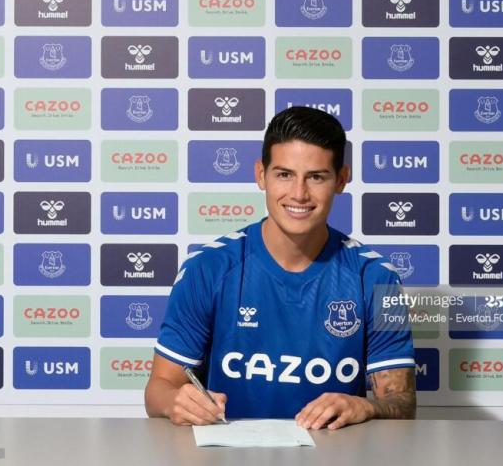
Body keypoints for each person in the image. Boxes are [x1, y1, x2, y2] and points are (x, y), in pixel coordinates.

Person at [145, 106, 416, 430]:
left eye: (316, 177)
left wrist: (365, 406)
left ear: (341, 180)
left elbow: (402, 403)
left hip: (335, 451)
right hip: (225, 449)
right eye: (284, 174)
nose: (299, 194)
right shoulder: (208, 268)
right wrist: (175, 401)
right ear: (261, 175)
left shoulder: (376, 278)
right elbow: (159, 388)